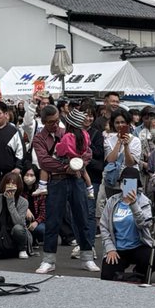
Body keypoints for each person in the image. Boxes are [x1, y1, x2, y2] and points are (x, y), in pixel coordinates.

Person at [33, 105, 98, 273]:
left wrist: (78, 163)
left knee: (82, 218)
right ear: (43, 122)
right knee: (53, 220)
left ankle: (87, 257)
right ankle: (49, 260)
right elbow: (43, 161)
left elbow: (88, 152)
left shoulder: (68, 131)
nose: (55, 125)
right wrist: (66, 166)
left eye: (57, 121)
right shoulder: (39, 138)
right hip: (56, 180)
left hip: (75, 179)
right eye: (50, 122)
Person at [99, 167, 155, 281]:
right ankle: (126, 276)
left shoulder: (144, 201)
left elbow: (144, 224)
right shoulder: (112, 200)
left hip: (138, 246)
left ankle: (138, 274)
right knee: (107, 277)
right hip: (118, 248)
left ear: (137, 185)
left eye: (131, 182)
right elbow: (104, 226)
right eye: (124, 181)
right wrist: (110, 248)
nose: (127, 185)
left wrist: (133, 204)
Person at [0, 171, 34, 259]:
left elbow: (19, 223)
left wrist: (10, 203)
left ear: (18, 185)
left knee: (18, 228)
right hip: (2, 235)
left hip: (17, 235)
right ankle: (9, 251)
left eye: (14, 183)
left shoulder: (23, 202)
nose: (10, 186)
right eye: (8, 183)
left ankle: (22, 249)